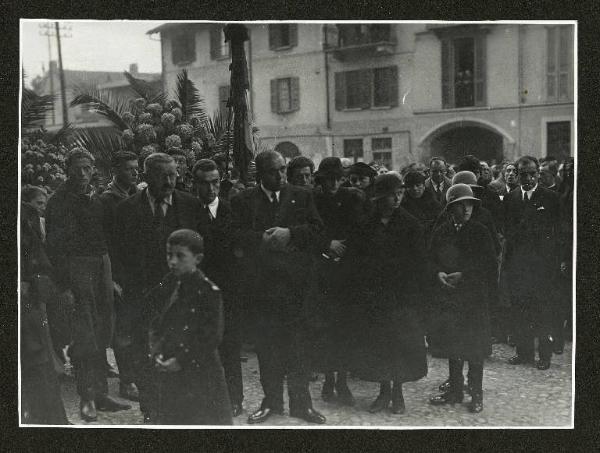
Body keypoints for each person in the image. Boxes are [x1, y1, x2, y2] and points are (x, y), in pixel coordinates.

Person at [231, 150, 326, 425]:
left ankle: (301, 405)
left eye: (283, 169)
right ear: (260, 174)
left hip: (296, 289)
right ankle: (271, 402)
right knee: (268, 350)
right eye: (274, 171)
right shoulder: (243, 201)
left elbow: (319, 231)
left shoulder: (302, 195)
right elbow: (233, 236)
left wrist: (291, 233)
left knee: (298, 349)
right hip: (263, 290)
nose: (281, 175)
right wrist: (260, 238)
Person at [113, 152, 202, 423]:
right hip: (143, 296)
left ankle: (182, 410)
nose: (169, 181)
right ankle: (151, 410)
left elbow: (201, 249)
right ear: (147, 176)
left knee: (181, 349)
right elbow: (118, 252)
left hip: (181, 293)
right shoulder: (126, 209)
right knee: (144, 353)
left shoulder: (190, 205)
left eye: (173, 175)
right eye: (163, 175)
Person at [45, 148, 130, 422]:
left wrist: (112, 274)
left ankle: (102, 393)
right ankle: (87, 398)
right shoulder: (58, 201)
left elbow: (108, 237)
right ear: (68, 169)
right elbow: (54, 248)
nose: (83, 174)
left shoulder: (97, 199)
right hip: (76, 269)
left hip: (101, 265)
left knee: (103, 328)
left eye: (87, 168)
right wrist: (65, 285)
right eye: (78, 168)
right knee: (85, 334)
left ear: (93, 169)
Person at [343, 174, 428, 414]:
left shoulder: (411, 224)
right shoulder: (365, 225)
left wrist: (416, 295)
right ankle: (383, 392)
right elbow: (355, 261)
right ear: (380, 198)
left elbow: (419, 262)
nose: (398, 198)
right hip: (374, 295)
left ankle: (398, 393)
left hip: (402, 296)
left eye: (400, 193)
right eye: (393, 194)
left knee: (400, 344)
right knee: (379, 344)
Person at [146, 229, 232, 425]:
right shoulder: (169, 283)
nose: (173, 261)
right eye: (169, 255)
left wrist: (181, 360)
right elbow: (156, 320)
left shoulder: (208, 292)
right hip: (171, 370)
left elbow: (211, 337)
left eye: (180, 256)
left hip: (201, 373)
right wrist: (157, 351)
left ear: (198, 258)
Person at [428, 184, 497, 413]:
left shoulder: (480, 231)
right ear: (451, 208)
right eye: (461, 205)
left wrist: (465, 275)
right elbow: (431, 258)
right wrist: (437, 272)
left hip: (474, 298)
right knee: (453, 344)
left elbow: (489, 265)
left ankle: (476, 393)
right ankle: (455, 389)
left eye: (469, 204)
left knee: (475, 348)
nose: (466, 209)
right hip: (449, 297)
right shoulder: (442, 231)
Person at [311, 157, 367, 407]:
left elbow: (360, 229)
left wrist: (345, 249)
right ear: (321, 179)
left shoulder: (353, 198)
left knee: (346, 327)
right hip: (321, 269)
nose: (333, 183)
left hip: (347, 269)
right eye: (328, 179)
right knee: (325, 326)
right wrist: (326, 246)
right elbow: (309, 230)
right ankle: (328, 377)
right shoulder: (312, 200)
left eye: (336, 178)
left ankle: (342, 380)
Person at [192, 158, 244, 417]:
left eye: (215, 183)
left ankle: (235, 398)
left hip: (227, 288)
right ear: (195, 184)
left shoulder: (232, 210)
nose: (210, 189)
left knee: (230, 345)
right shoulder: (189, 211)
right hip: (200, 289)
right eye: (204, 184)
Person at [503, 156, 561, 370]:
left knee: (542, 310)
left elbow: (558, 234)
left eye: (532, 174)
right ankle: (524, 352)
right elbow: (507, 231)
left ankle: (544, 355)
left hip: (542, 267)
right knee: (520, 309)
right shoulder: (511, 199)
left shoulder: (550, 198)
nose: (527, 178)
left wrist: (555, 263)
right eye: (523, 174)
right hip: (518, 265)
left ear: (538, 174)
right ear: (516, 175)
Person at [20, 191, 68, 424]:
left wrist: (33, 281)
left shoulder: (25, 217)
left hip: (28, 303)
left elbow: (40, 261)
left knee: (38, 358)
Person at [98, 151, 140, 402]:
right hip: (119, 273)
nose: (134, 173)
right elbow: (104, 243)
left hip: (137, 273)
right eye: (128, 169)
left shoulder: (137, 196)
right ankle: (128, 381)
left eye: (136, 169)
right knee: (123, 331)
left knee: (139, 328)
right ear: (115, 170)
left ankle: (139, 375)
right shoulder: (106, 201)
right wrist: (111, 279)